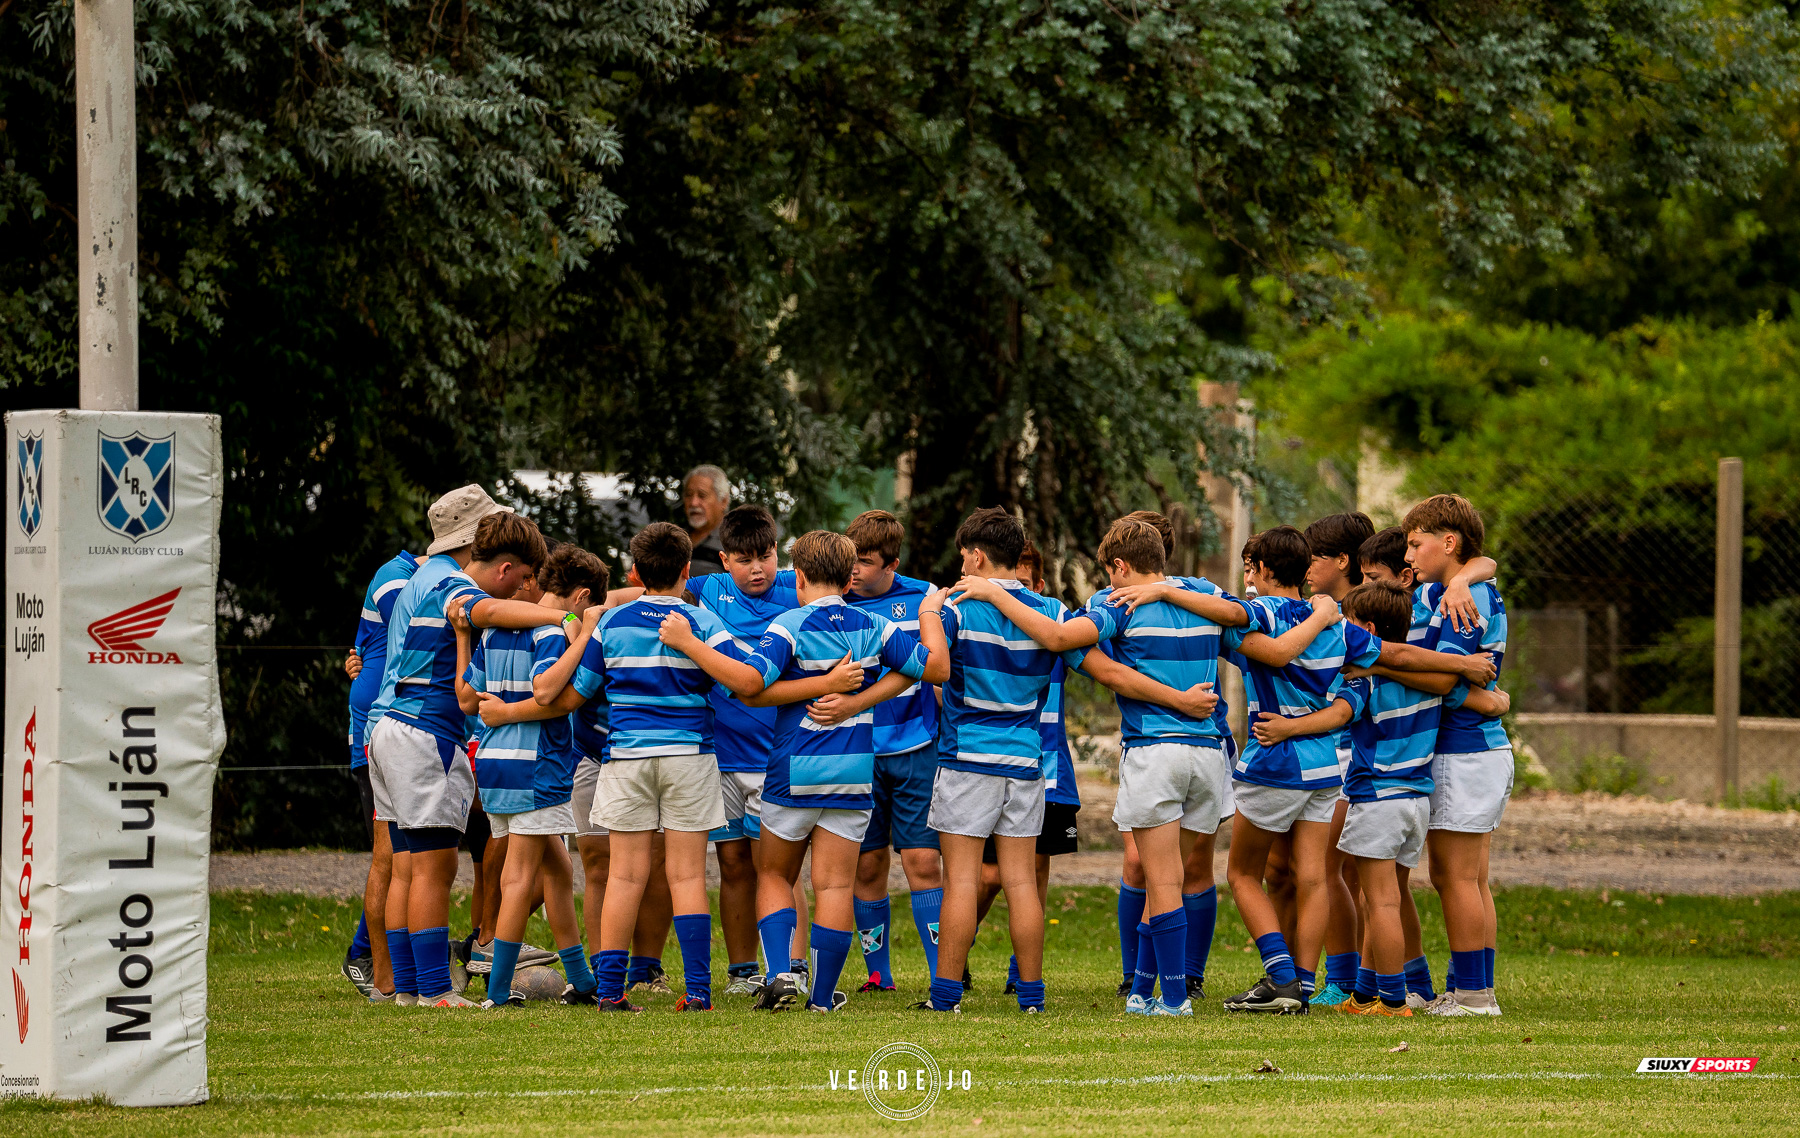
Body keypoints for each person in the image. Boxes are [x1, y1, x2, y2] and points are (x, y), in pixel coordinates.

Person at [664, 530, 947, 1012]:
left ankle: (779, 975)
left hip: (792, 769)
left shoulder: (789, 624)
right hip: (854, 771)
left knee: (774, 873)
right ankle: (821, 996)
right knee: (835, 885)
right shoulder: (871, 625)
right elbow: (934, 668)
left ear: (799, 577)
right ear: (847, 576)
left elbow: (751, 684)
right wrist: (926, 618)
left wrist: (692, 644)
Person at [364, 490, 558, 1008]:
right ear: (504, 565)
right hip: (426, 732)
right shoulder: (454, 584)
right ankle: (435, 992)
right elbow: (485, 609)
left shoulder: (420, 577)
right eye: (520, 579)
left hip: (388, 728)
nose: (524, 589)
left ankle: (407, 987)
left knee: (407, 865)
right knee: (434, 867)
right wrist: (557, 620)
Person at [450, 543, 612, 1007]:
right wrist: (583, 636)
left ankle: (582, 982)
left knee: (558, 869)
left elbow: (466, 699)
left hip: (497, 766)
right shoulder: (551, 633)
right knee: (520, 877)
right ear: (581, 598)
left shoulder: (497, 631)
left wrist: (464, 638)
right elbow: (545, 690)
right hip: (536, 765)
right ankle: (498, 992)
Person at [686, 505, 811, 996]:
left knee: (778, 868)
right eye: (744, 559)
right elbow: (645, 595)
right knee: (733, 865)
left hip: (776, 759)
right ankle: (743, 972)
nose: (756, 568)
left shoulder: (794, 587)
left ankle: (794, 968)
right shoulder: (706, 591)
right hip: (721, 757)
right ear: (723, 560)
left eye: (765, 556)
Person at [1404, 494, 1515, 1017]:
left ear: (1449, 543)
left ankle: (1473, 995)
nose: (1409, 554)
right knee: (1469, 878)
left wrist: (1380, 666)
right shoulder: (1450, 589)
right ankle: (1472, 988)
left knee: (1454, 877)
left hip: (1463, 749)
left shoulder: (1462, 599)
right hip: (1473, 748)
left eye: (1416, 543)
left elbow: (1446, 679)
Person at [841, 510, 945, 993]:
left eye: (864, 562)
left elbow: (935, 665)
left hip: (916, 748)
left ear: (892, 564)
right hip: (856, 753)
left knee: (923, 863)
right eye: (850, 560)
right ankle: (878, 976)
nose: (854, 571)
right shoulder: (834, 597)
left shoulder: (925, 598)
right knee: (866, 865)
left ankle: (939, 973)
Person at [340, 546, 419, 1000]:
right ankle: (369, 961)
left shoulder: (407, 577)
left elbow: (373, 652)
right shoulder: (398, 577)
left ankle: (383, 963)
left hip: (392, 727)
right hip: (382, 730)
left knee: (404, 855)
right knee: (392, 855)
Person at [681, 465, 732, 576]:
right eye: (689, 495)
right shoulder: (672, 539)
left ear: (723, 501)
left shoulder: (736, 542)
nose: (693, 503)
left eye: (702, 495)